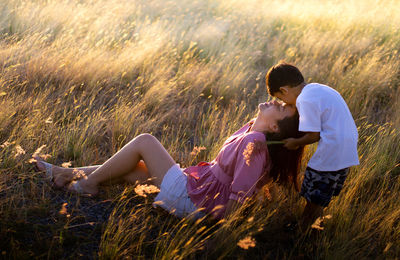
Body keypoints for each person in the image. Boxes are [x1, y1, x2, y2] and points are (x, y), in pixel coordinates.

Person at [34, 101, 304, 219]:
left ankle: (87, 184)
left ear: (276, 129)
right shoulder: (250, 129)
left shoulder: (255, 144)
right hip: (196, 186)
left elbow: (239, 195)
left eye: (281, 108)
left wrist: (218, 237)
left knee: (145, 141)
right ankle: (65, 173)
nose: (275, 102)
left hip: (195, 201)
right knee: (133, 171)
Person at [265, 61, 359, 229]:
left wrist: (296, 142)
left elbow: (313, 135)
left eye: (281, 98)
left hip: (332, 150)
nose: (285, 103)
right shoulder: (318, 88)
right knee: (321, 196)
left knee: (314, 195)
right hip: (347, 149)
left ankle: (303, 229)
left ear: (284, 90)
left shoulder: (304, 100)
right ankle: (313, 225)